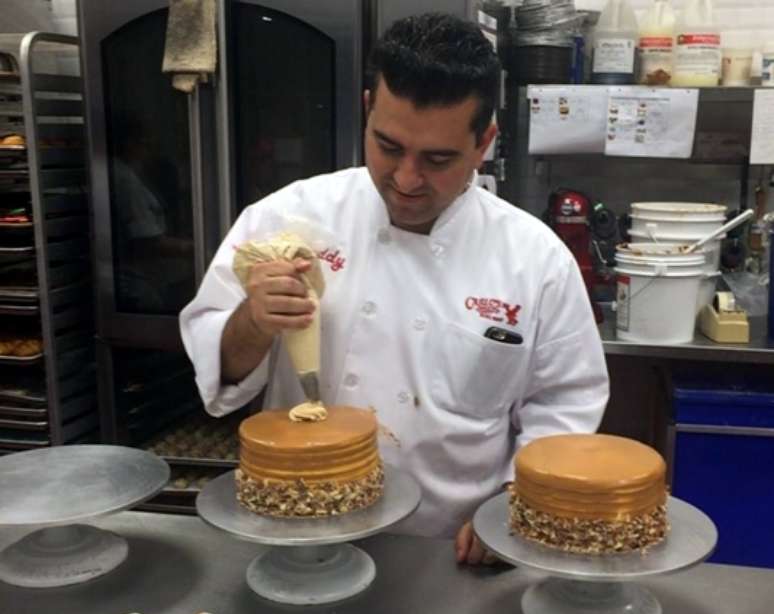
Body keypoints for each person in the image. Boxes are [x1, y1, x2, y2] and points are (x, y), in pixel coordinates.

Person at [180, 13, 609, 564]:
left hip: (451, 553)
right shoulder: (288, 217)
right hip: (300, 539)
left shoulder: (534, 259)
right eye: (388, 146)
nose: (406, 179)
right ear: (367, 111)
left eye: (438, 159)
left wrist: (513, 508)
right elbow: (221, 376)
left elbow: (564, 402)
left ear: (485, 143)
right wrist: (254, 322)